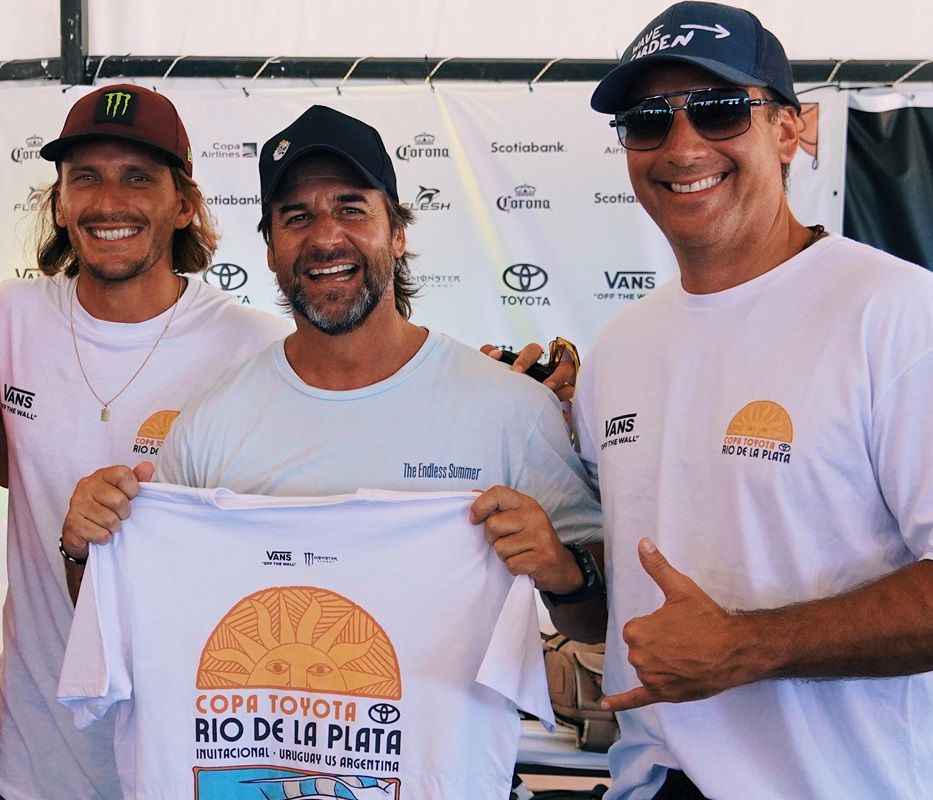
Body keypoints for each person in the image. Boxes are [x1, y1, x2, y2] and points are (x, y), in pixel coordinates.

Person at [557, 3, 933, 799]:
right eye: (647, 121)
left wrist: (751, 646)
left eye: (722, 110)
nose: (682, 146)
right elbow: (616, 602)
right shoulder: (619, 348)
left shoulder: (898, 316)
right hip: (650, 781)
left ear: (790, 130)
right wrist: (558, 568)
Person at [62, 103, 600, 592]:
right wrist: (86, 552)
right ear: (270, 250)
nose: (325, 237)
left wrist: (564, 572)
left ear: (397, 232)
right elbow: (149, 604)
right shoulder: (211, 421)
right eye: (297, 217)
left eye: (351, 209)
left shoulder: (512, 409)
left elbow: (599, 621)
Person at [0, 83, 291, 800]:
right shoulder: (11, 321)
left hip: (192, 750)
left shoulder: (257, 348)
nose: (109, 201)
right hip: (36, 755)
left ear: (182, 203)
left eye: (138, 176)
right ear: (60, 202)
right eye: (85, 178)